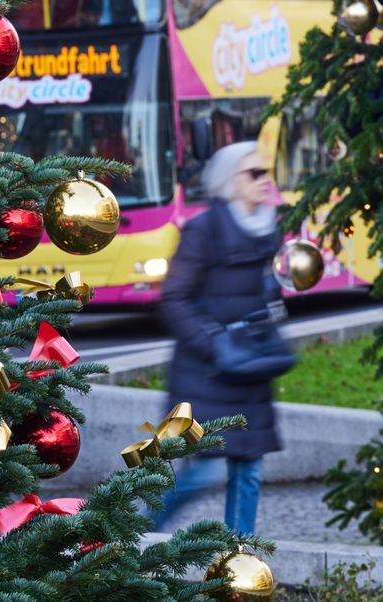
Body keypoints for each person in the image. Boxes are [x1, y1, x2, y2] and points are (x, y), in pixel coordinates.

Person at [153, 141, 283, 535]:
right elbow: (174, 299)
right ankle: (136, 538)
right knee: (203, 470)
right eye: (254, 173)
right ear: (231, 180)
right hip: (206, 374)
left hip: (250, 372)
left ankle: (237, 560)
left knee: (249, 470)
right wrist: (216, 344)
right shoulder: (204, 230)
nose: (265, 181)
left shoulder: (266, 229)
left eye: (266, 172)